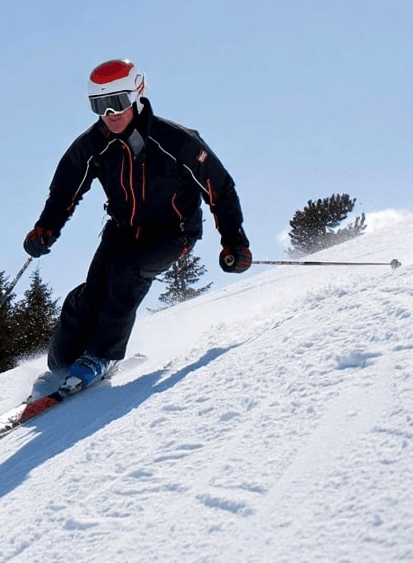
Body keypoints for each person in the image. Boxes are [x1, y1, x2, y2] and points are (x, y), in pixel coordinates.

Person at [23, 59, 252, 393]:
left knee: (127, 273)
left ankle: (101, 355)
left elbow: (219, 188)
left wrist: (234, 241)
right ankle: (61, 363)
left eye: (118, 102)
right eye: (100, 105)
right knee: (93, 291)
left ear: (137, 94)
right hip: (123, 228)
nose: (111, 113)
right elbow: (65, 190)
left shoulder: (176, 141)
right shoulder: (93, 144)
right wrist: (46, 227)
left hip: (174, 232)